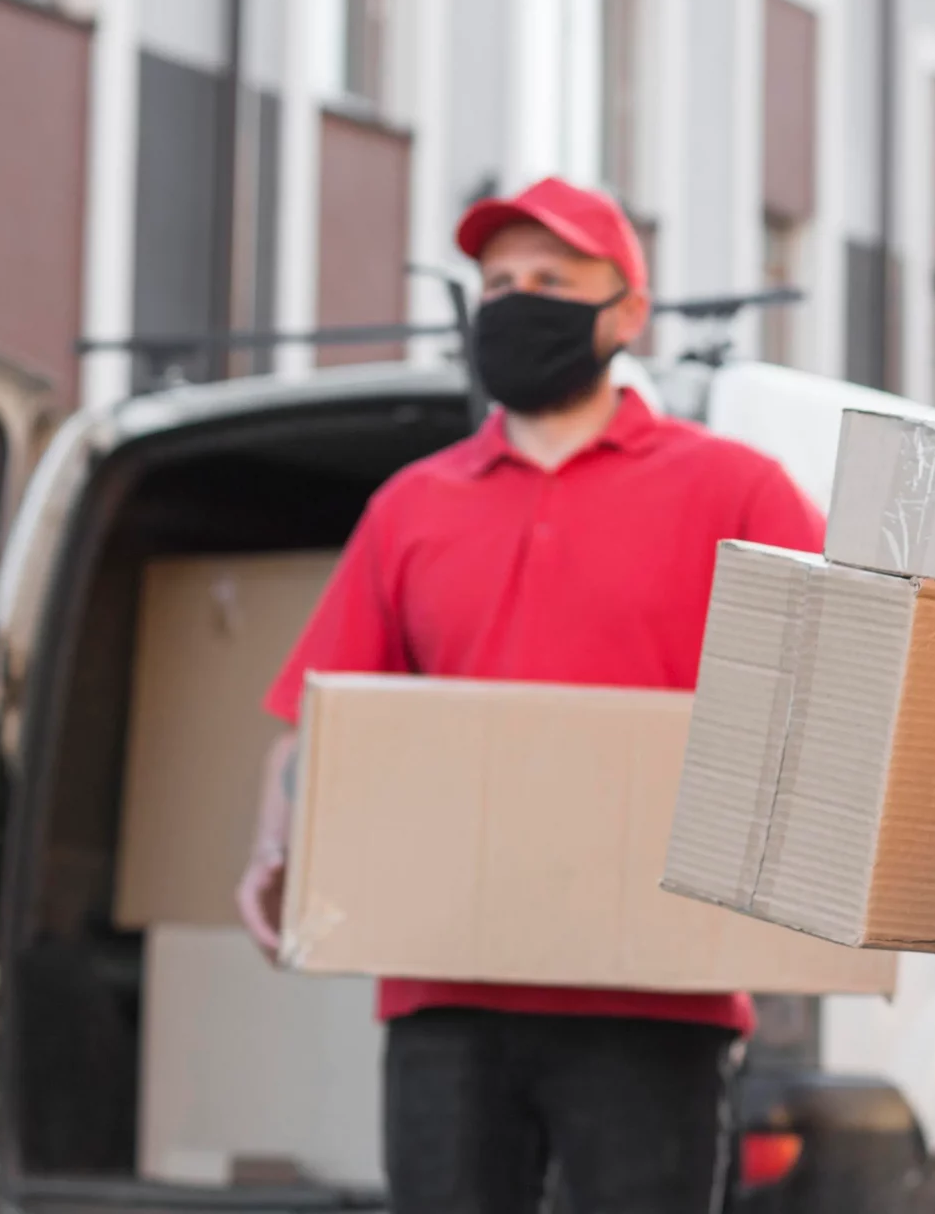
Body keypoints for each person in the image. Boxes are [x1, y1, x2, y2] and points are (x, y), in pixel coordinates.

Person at [234, 175, 826, 1214]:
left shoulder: (739, 491)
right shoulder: (410, 507)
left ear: (626, 312)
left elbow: (838, 703)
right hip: (443, 989)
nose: (515, 301)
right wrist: (274, 847)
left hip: (655, 995)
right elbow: (322, 724)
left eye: (551, 279)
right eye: (497, 283)